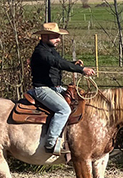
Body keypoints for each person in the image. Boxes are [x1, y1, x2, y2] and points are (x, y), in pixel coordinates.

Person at [29, 22, 96, 153]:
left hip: (55, 88)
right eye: (55, 36)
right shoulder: (40, 52)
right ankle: (51, 142)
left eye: (58, 36)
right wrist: (81, 69)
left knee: (79, 102)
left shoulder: (51, 51)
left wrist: (73, 64)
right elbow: (57, 63)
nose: (58, 39)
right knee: (63, 109)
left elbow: (59, 63)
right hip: (42, 89)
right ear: (45, 36)